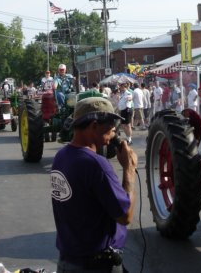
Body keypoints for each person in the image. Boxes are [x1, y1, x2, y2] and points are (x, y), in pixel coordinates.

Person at [50, 97, 138, 273]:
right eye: (110, 129)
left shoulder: (61, 157)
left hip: (68, 260)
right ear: (94, 126)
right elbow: (124, 216)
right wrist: (129, 169)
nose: (113, 134)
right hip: (96, 265)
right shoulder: (96, 164)